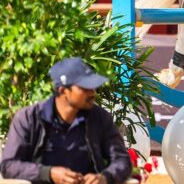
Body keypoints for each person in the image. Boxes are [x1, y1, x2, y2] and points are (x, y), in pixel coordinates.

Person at [1, 58, 131, 184]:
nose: (92, 93)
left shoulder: (100, 118)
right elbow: (9, 166)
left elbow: (122, 161)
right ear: (63, 91)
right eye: (85, 87)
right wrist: (48, 173)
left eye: (94, 87)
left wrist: (105, 178)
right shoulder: (28, 118)